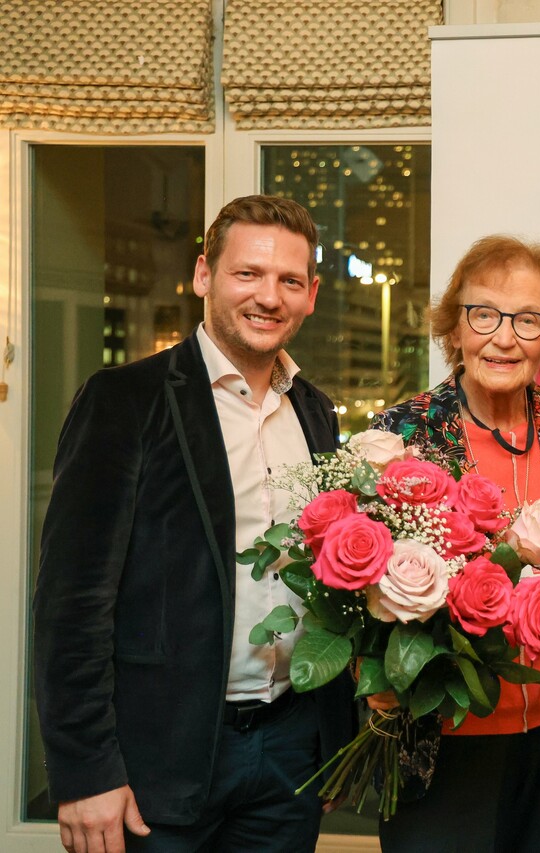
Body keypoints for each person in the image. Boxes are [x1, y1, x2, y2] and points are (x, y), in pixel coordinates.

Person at [33, 195, 353, 853]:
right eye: (248, 273)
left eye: (289, 280)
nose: (269, 296)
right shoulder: (125, 400)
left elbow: (331, 583)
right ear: (205, 274)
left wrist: (332, 735)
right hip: (160, 756)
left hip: (291, 751)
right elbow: (72, 603)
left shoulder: (316, 412)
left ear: (311, 294)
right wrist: (85, 769)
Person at [369, 235, 540, 853]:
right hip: (439, 737)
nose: (504, 338)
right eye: (484, 314)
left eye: (528, 320)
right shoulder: (405, 433)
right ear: (455, 327)